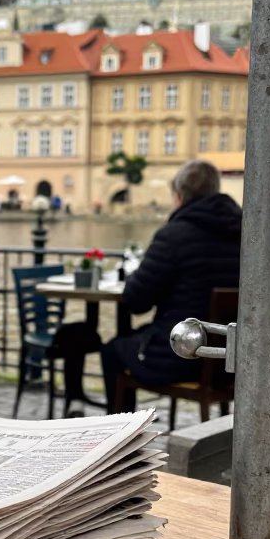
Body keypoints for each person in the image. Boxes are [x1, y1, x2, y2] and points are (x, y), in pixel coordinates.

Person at [101, 160, 242, 412]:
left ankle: (122, 439)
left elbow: (136, 301)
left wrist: (135, 274)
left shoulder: (174, 235)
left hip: (181, 356)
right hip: (231, 360)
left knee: (113, 350)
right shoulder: (247, 233)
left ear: (178, 196)